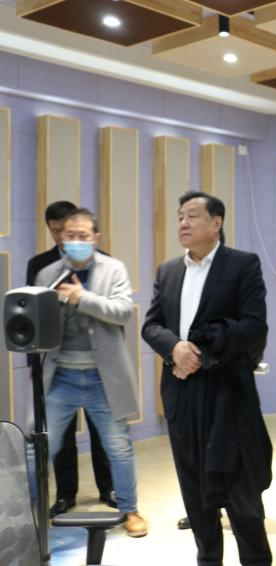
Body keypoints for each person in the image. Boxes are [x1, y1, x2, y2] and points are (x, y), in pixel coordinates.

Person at [143, 192, 273, 565]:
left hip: (226, 393)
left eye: (192, 216)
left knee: (240, 491)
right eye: (180, 217)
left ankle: (256, 560)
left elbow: (254, 325)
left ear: (217, 223)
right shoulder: (168, 270)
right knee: (194, 489)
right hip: (181, 390)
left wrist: (199, 353)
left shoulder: (242, 264)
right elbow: (151, 325)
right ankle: (208, 557)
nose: (183, 223)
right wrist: (174, 348)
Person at [35, 208, 146, 537]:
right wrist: (54, 305)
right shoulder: (47, 274)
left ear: (96, 237)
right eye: (70, 235)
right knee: (42, 446)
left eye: (83, 236)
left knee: (118, 447)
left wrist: (82, 298)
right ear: (60, 237)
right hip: (60, 376)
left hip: (104, 377)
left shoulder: (114, 269)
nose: (76, 241)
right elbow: (37, 325)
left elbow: (122, 311)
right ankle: (30, 511)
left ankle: (130, 510)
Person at [26, 200, 115, 517]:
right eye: (54, 232)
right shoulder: (40, 265)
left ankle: (109, 488)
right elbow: (31, 315)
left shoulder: (105, 263)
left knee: (102, 429)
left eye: (64, 230)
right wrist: (34, 364)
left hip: (98, 361)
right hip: (56, 362)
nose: (61, 238)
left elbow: (113, 314)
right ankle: (65, 494)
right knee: (61, 433)